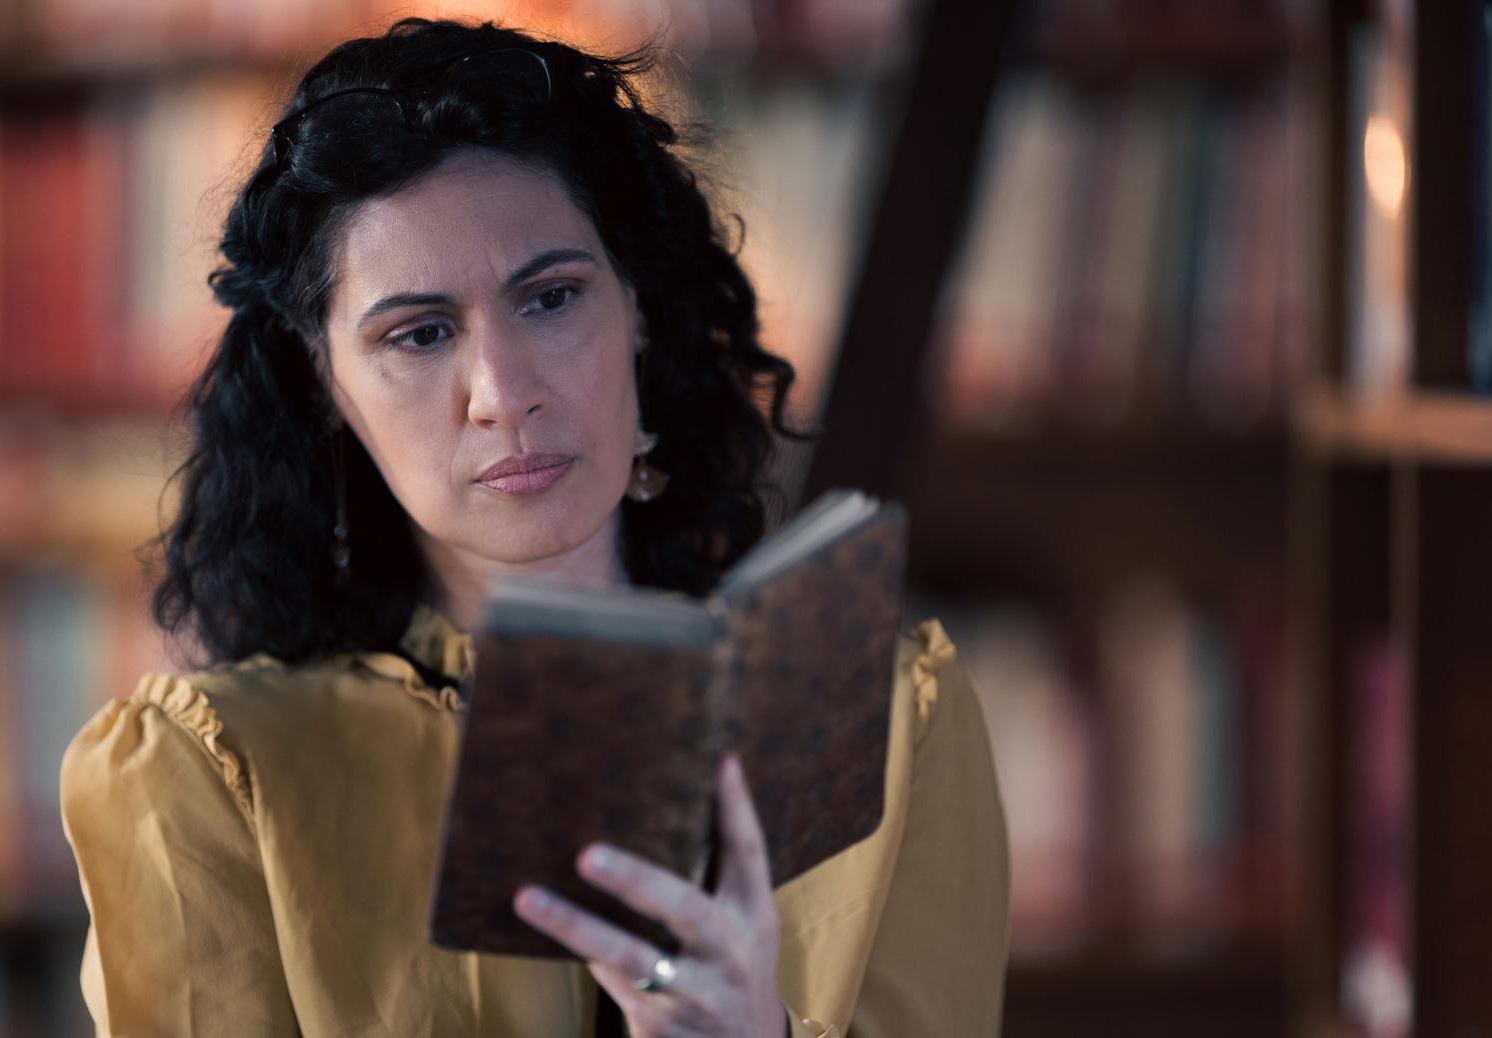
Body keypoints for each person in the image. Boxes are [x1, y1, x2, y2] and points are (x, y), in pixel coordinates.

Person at [59, 16, 1009, 1037]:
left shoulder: (888, 719)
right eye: (418, 334)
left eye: (551, 299)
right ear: (324, 381)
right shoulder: (208, 775)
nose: (504, 394)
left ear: (637, 307)